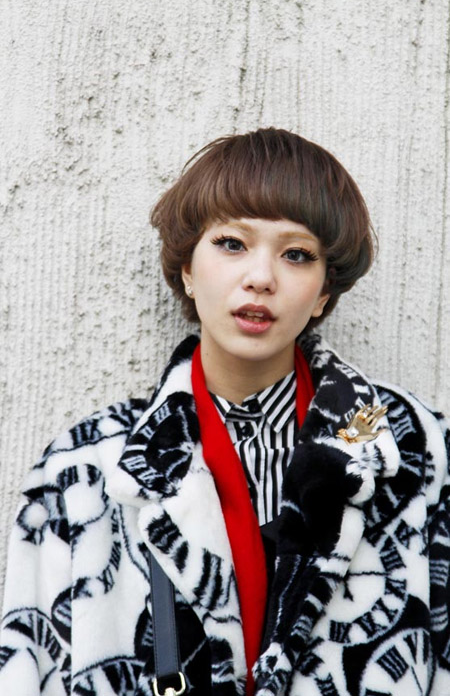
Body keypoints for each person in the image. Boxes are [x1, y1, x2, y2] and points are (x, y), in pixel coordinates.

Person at [1, 128, 449, 696]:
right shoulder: (85, 468)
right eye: (232, 244)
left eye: (296, 254)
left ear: (323, 292)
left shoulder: (412, 449)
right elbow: (26, 672)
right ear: (187, 269)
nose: (261, 277)